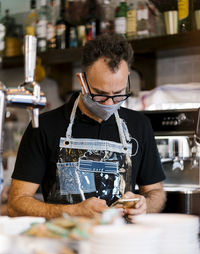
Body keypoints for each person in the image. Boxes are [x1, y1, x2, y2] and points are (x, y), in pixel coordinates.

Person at [8, 33, 166, 222]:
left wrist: (144, 206)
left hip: (121, 245)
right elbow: (16, 204)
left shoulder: (139, 125)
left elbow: (156, 192)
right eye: (100, 94)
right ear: (82, 80)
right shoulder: (44, 126)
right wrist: (73, 212)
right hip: (64, 244)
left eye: (118, 94)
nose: (109, 103)